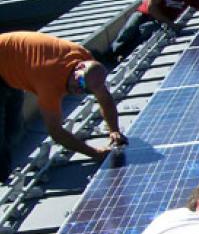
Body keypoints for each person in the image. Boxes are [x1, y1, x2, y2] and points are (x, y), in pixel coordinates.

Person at [0, 31, 127, 179]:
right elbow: (56, 132)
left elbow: (105, 98)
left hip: (9, 64)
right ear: (79, 67)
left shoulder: (89, 67)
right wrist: (95, 153)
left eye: (86, 90)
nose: (79, 90)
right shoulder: (49, 81)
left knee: (14, 130)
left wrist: (114, 130)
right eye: (80, 83)